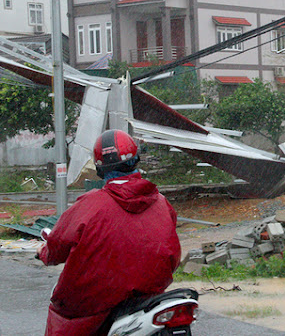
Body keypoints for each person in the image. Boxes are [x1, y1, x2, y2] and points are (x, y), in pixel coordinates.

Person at [37, 129, 181, 335]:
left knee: (63, 316)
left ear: (99, 168)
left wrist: (44, 253)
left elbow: (57, 246)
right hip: (149, 295)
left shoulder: (89, 205)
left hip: (95, 300)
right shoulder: (161, 203)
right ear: (136, 159)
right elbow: (172, 254)